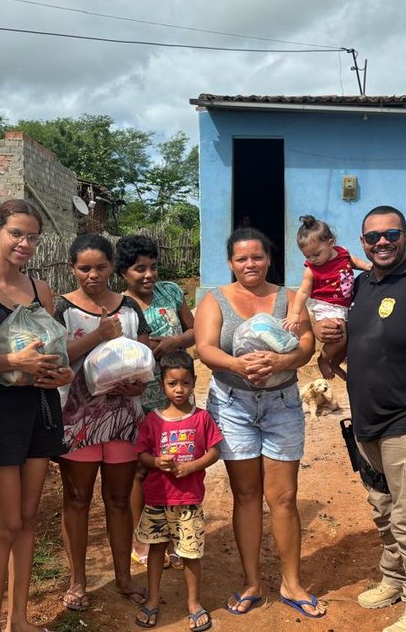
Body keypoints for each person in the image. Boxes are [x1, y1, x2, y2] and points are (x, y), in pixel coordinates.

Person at [318, 206, 406, 632]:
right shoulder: (360, 285)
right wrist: (331, 346)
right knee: (383, 508)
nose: (382, 243)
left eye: (390, 234)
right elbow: (353, 344)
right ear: (362, 244)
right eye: (372, 237)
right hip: (366, 419)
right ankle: (394, 580)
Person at [194, 227, 326, 618]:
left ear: (269, 258)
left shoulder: (289, 298)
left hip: (281, 403)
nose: (249, 264)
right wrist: (238, 364)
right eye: (241, 258)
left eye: (257, 257)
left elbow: (306, 346)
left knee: (283, 497)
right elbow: (205, 349)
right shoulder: (215, 300)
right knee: (246, 494)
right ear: (231, 262)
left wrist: (280, 362)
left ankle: (291, 581)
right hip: (233, 404)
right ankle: (252, 581)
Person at [0, 200, 73, 632]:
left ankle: (19, 621)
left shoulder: (41, 290)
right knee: (6, 521)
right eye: (16, 234)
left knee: (28, 518)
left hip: (41, 408)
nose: (25, 244)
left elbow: (56, 354)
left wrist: (56, 372)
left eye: (32, 237)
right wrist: (16, 362)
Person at [54, 234, 151, 611]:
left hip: (124, 418)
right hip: (77, 419)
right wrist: (97, 335)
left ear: (113, 267)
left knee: (118, 499)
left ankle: (124, 576)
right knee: (77, 499)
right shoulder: (62, 309)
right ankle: (78, 580)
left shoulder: (129, 309)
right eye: (84, 268)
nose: (92, 275)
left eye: (100, 267)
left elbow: (144, 359)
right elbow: (57, 358)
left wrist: (137, 382)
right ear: (72, 269)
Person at [116, 234, 196, 570]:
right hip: (139, 401)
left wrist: (176, 340)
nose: (148, 275)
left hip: (176, 399)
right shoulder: (118, 306)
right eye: (139, 269)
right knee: (140, 469)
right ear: (123, 273)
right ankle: (142, 538)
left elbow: (197, 331)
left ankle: (175, 537)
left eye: (152, 267)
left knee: (176, 467)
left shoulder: (172, 292)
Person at [133, 351, 223, 631]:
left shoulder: (202, 418)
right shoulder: (153, 421)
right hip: (157, 499)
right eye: (173, 384)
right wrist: (155, 462)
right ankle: (153, 599)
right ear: (162, 385)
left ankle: (194, 603)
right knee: (157, 549)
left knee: (191, 553)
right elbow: (142, 455)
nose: (179, 389)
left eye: (185, 383)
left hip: (188, 500)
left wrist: (193, 466)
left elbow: (214, 451)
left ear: (194, 381)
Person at [282, 215, 371, 380]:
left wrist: (365, 266)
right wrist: (294, 313)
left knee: (345, 341)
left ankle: (335, 363)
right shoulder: (311, 270)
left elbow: (352, 261)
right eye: (307, 256)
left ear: (330, 243)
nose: (312, 260)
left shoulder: (342, 252)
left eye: (316, 254)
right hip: (327, 305)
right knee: (338, 337)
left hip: (345, 304)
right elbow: (302, 292)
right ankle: (322, 360)